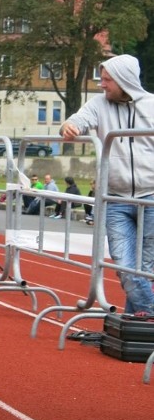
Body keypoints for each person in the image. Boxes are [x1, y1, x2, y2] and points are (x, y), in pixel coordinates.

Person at [60, 54, 154, 314]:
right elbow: (78, 120)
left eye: (107, 79)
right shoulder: (98, 104)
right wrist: (68, 126)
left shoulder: (152, 106)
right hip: (115, 199)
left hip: (151, 198)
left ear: (124, 80)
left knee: (144, 270)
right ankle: (148, 320)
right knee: (126, 268)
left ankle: (136, 327)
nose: (102, 84)